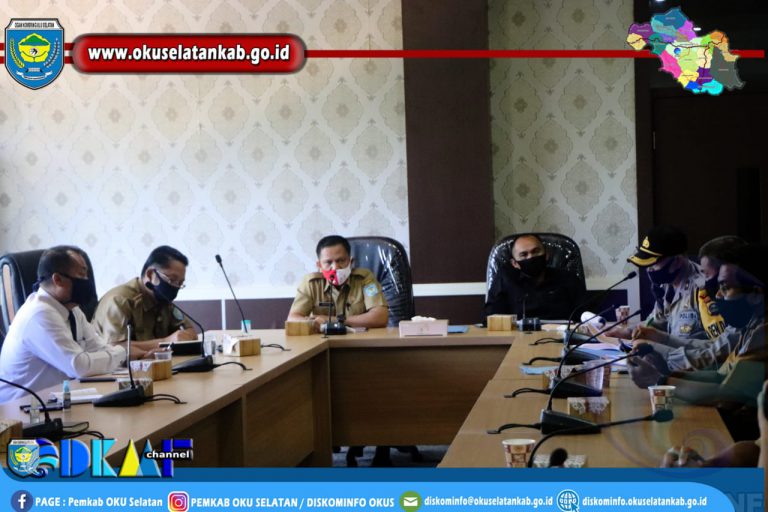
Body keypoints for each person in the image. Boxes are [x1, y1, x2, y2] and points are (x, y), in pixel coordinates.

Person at [629, 244, 767, 439]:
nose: (717, 295)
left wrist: (660, 381)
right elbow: (720, 376)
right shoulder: (752, 324)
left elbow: (726, 394)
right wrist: (665, 373)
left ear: (756, 294)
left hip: (747, 436)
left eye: (725, 287)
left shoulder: (763, 331)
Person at [0, 246, 153, 402]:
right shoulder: (39, 314)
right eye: (81, 275)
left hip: (58, 400)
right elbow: (79, 366)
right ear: (57, 280)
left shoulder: (72, 309)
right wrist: (123, 352)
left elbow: (98, 348)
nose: (87, 281)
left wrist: (127, 356)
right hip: (21, 408)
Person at [629, 236, 747, 371]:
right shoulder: (666, 288)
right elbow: (715, 346)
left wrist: (655, 350)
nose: (718, 294)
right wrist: (661, 338)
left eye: (725, 285)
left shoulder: (751, 322)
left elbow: (715, 358)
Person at [610, 225, 706, 341]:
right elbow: (656, 322)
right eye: (647, 265)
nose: (649, 270)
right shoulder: (666, 284)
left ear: (677, 261)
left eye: (653, 264)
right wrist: (627, 332)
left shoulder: (703, 289)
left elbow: (716, 346)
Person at [92, 246, 196, 352]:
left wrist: (184, 336)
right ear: (150, 274)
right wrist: (164, 342)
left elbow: (189, 331)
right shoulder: (119, 301)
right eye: (172, 280)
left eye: (180, 283)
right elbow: (114, 348)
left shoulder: (163, 299)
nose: (175, 286)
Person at [287, 235, 388, 329]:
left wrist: (335, 320)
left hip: (358, 339)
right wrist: (313, 322)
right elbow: (292, 319)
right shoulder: (311, 283)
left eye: (341, 260)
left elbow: (380, 317)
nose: (335, 267)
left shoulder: (365, 279)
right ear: (319, 266)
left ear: (350, 262)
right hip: (322, 339)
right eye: (328, 262)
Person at [483, 234, 585, 321]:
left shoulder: (567, 278)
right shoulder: (505, 279)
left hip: (561, 336)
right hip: (518, 336)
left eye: (536, 251)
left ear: (546, 254)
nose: (531, 257)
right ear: (514, 263)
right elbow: (490, 318)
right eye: (524, 255)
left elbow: (585, 315)